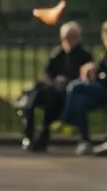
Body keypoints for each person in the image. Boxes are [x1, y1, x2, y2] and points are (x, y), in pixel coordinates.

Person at [58, 19, 107, 155]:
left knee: (75, 86)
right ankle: (85, 140)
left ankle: (66, 117)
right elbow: (99, 71)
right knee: (80, 102)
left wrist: (102, 76)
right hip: (100, 90)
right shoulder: (106, 54)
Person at [20, 21, 94, 152]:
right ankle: (29, 133)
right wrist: (55, 81)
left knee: (50, 100)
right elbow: (48, 73)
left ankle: (43, 135)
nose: (68, 41)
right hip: (53, 89)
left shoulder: (85, 56)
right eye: (65, 38)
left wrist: (68, 81)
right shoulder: (57, 54)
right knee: (36, 92)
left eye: (71, 38)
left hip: (69, 93)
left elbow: (86, 78)